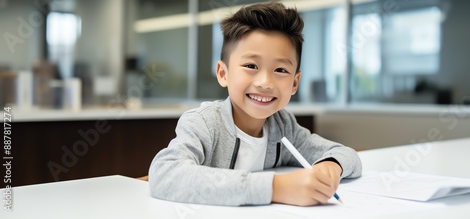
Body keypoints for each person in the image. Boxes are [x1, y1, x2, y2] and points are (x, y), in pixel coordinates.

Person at [148, 2, 362, 206]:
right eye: (251, 65)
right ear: (223, 73)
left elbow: (347, 155)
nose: (265, 83)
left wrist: (331, 166)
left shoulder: (283, 127)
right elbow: (165, 174)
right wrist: (276, 188)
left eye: (280, 70)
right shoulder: (204, 123)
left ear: (295, 82)